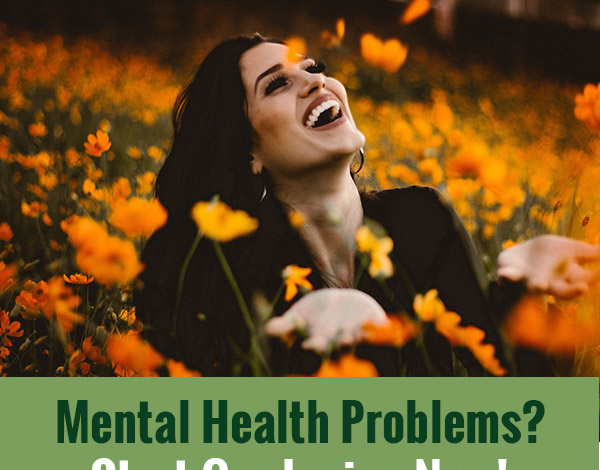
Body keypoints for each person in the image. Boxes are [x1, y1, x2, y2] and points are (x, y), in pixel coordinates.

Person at [136, 36, 600, 376]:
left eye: (313, 68)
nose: (315, 82)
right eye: (276, 84)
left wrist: (520, 288)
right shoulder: (239, 279)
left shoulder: (422, 220)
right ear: (247, 153)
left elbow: (527, 423)